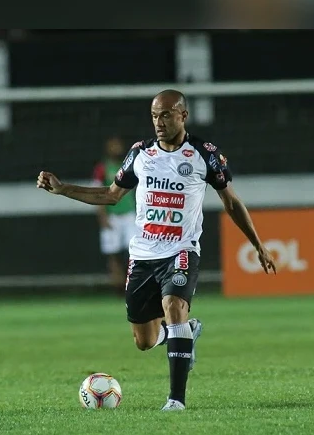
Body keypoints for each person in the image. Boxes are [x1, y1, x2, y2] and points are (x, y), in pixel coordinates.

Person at [37, 90, 276, 410]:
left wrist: (259, 246)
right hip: (143, 256)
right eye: (154, 116)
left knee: (174, 306)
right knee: (144, 341)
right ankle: (186, 334)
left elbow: (231, 202)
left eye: (166, 115)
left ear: (183, 116)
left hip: (181, 250)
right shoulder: (140, 154)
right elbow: (110, 195)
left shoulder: (205, 155)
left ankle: (176, 400)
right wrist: (62, 188)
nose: (159, 122)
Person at [92, 137, 140, 293]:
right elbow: (97, 192)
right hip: (112, 216)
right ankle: (117, 286)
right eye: (113, 146)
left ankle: (132, 284)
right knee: (112, 254)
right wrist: (102, 216)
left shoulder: (128, 165)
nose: (117, 149)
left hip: (129, 215)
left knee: (134, 252)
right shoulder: (102, 168)